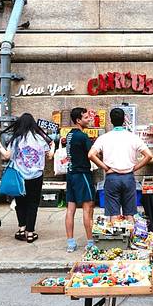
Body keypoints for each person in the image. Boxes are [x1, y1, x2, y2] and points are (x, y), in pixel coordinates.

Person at [0, 113, 54, 243]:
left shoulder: (16, 139)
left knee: (20, 203)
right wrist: (53, 146)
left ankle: (21, 229)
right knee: (33, 204)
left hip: (19, 176)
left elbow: (6, 156)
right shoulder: (40, 139)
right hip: (36, 176)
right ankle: (30, 233)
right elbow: (49, 156)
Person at [89, 108, 153, 218]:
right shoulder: (133, 137)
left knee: (114, 215)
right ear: (124, 120)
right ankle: (131, 234)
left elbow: (91, 155)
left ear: (111, 120)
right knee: (130, 214)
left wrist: (105, 168)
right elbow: (149, 155)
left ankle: (116, 234)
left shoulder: (104, 138)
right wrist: (134, 168)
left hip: (112, 177)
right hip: (128, 178)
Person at [64, 108, 95, 252]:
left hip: (70, 174)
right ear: (78, 120)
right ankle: (90, 242)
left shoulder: (70, 135)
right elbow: (91, 154)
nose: (89, 119)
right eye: (86, 117)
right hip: (82, 174)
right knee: (87, 208)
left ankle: (70, 243)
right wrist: (104, 165)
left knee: (70, 209)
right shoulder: (82, 136)